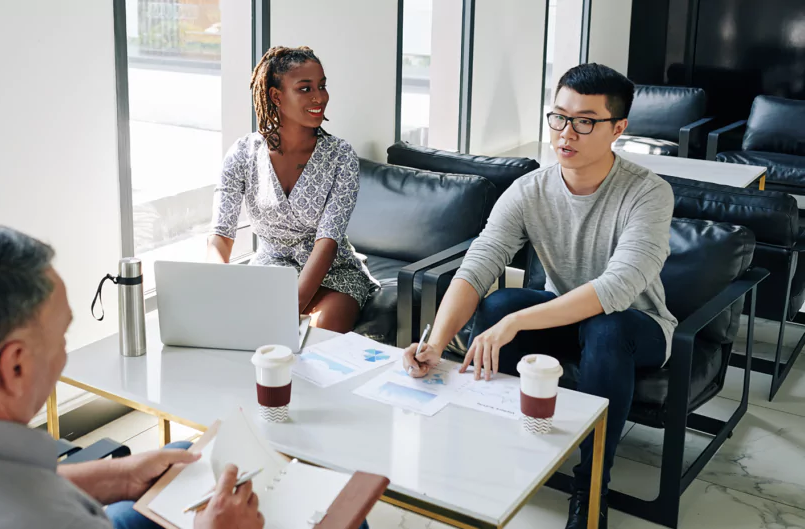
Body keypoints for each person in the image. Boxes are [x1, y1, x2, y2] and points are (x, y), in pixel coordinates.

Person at [0, 226, 263, 529]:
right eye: (62, 335)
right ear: (14, 366)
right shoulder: (44, 520)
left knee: (181, 451)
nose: (64, 353)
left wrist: (120, 476)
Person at [402, 64, 676, 529]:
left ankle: (591, 488)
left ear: (618, 128)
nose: (566, 133)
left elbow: (617, 289)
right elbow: (479, 264)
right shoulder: (530, 189)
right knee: (497, 305)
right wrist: (435, 341)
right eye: (559, 117)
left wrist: (518, 324)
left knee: (602, 325)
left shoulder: (648, 193)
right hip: (564, 319)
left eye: (585, 121)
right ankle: (514, 452)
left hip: (637, 326)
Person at [206, 46, 378, 333]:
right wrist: (218, 284)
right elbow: (220, 235)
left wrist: (289, 307)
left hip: (332, 274)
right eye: (305, 88)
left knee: (319, 338)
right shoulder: (243, 153)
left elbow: (328, 242)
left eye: (322, 86)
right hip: (270, 270)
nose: (319, 97)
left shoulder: (341, 156)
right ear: (276, 96)